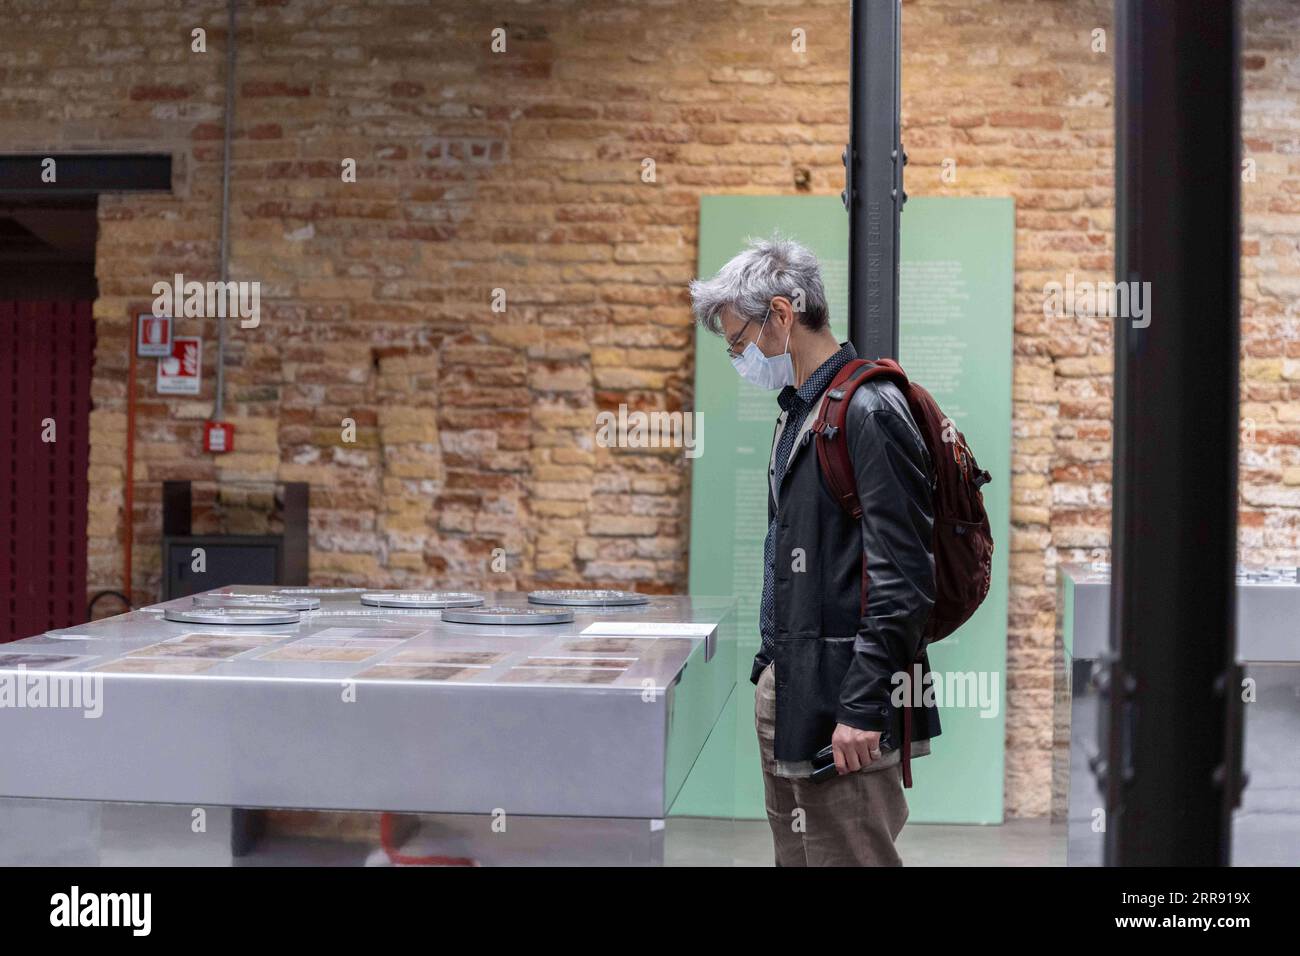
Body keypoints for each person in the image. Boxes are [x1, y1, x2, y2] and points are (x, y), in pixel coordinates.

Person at [689, 236, 940, 866]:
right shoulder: (801, 410)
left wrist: (862, 705)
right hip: (794, 686)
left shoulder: (869, 408)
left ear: (781, 313)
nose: (739, 355)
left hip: (844, 705)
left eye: (739, 339)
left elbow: (904, 576)